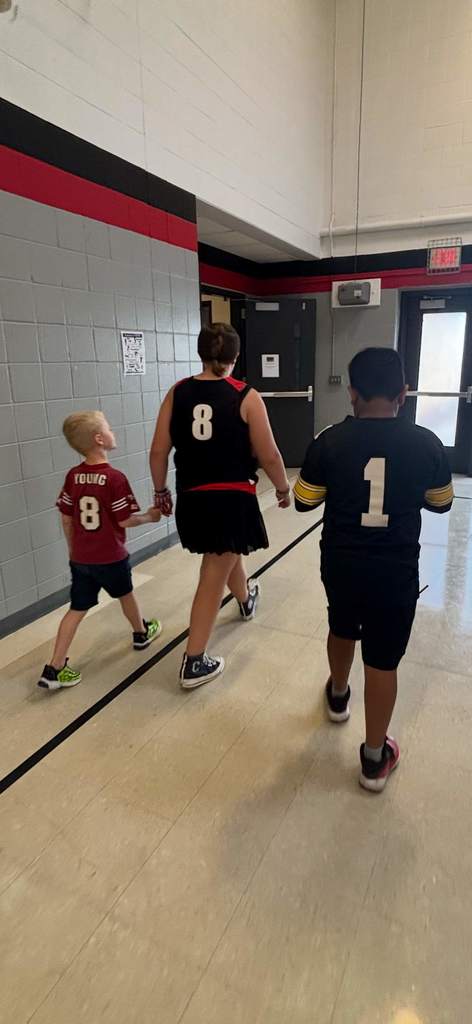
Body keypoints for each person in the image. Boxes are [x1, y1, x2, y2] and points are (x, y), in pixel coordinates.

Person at [294, 347, 453, 792]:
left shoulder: (328, 441)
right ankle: (373, 757)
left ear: (352, 394)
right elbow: (441, 504)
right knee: (383, 660)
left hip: (341, 563)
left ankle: (339, 695)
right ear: (403, 393)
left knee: (342, 626)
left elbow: (306, 501)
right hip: (394, 570)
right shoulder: (427, 443)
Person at [150, 322, 291, 689]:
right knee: (213, 575)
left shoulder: (177, 392)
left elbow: (158, 451)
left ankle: (245, 599)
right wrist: (282, 488)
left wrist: (160, 491)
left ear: (200, 353)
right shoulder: (245, 395)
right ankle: (194, 660)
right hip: (231, 498)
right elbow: (270, 454)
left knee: (225, 555)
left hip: (192, 499)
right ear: (236, 356)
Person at [38, 411, 162, 690]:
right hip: (111, 557)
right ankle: (141, 633)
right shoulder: (114, 478)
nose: (112, 432)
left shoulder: (73, 476)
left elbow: (66, 516)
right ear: (99, 439)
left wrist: (74, 550)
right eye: (109, 429)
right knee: (126, 594)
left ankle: (54, 668)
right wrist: (149, 517)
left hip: (81, 559)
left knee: (76, 609)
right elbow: (124, 520)